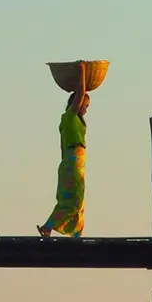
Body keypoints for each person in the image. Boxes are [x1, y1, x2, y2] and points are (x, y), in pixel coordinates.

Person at [38, 61, 89, 239]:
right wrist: (82, 71)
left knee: (78, 202)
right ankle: (48, 226)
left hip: (76, 165)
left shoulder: (73, 121)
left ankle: (76, 234)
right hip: (71, 166)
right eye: (85, 105)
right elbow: (81, 93)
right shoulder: (69, 117)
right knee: (72, 201)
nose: (85, 109)